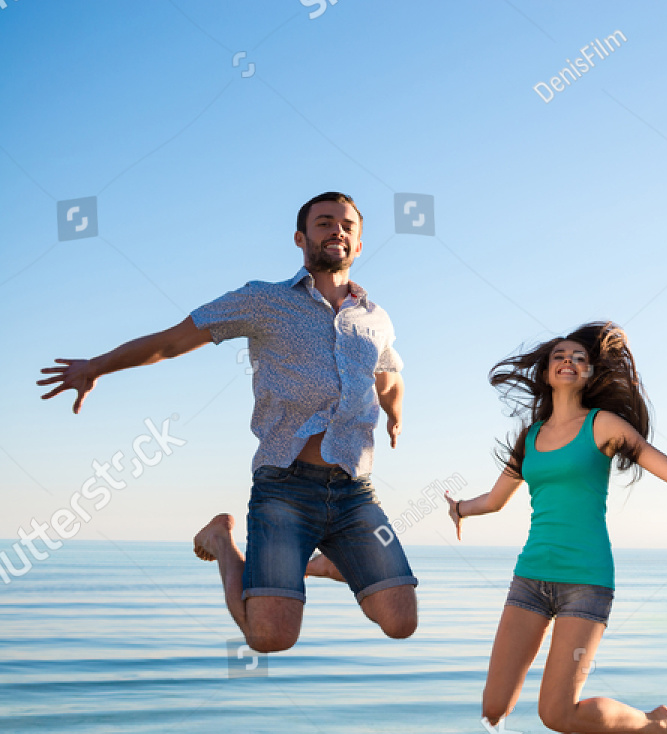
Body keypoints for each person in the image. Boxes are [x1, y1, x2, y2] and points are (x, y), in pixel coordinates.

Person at [36, 192, 416, 653]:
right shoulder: (263, 300)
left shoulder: (376, 318)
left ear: (358, 243)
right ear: (301, 238)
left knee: (400, 622)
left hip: (355, 488)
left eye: (347, 225)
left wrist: (395, 414)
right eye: (323, 223)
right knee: (269, 638)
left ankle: (322, 561)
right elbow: (172, 341)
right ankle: (221, 540)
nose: (337, 230)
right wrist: (96, 366)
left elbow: (388, 374)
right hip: (286, 487)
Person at [446, 322, 667, 734]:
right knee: (493, 710)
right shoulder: (530, 437)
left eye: (578, 358)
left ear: (590, 373)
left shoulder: (603, 424)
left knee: (556, 715)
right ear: (546, 372)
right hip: (529, 579)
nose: (568, 362)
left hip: (585, 583)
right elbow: (496, 500)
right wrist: (459, 509)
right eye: (560, 357)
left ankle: (652, 721)